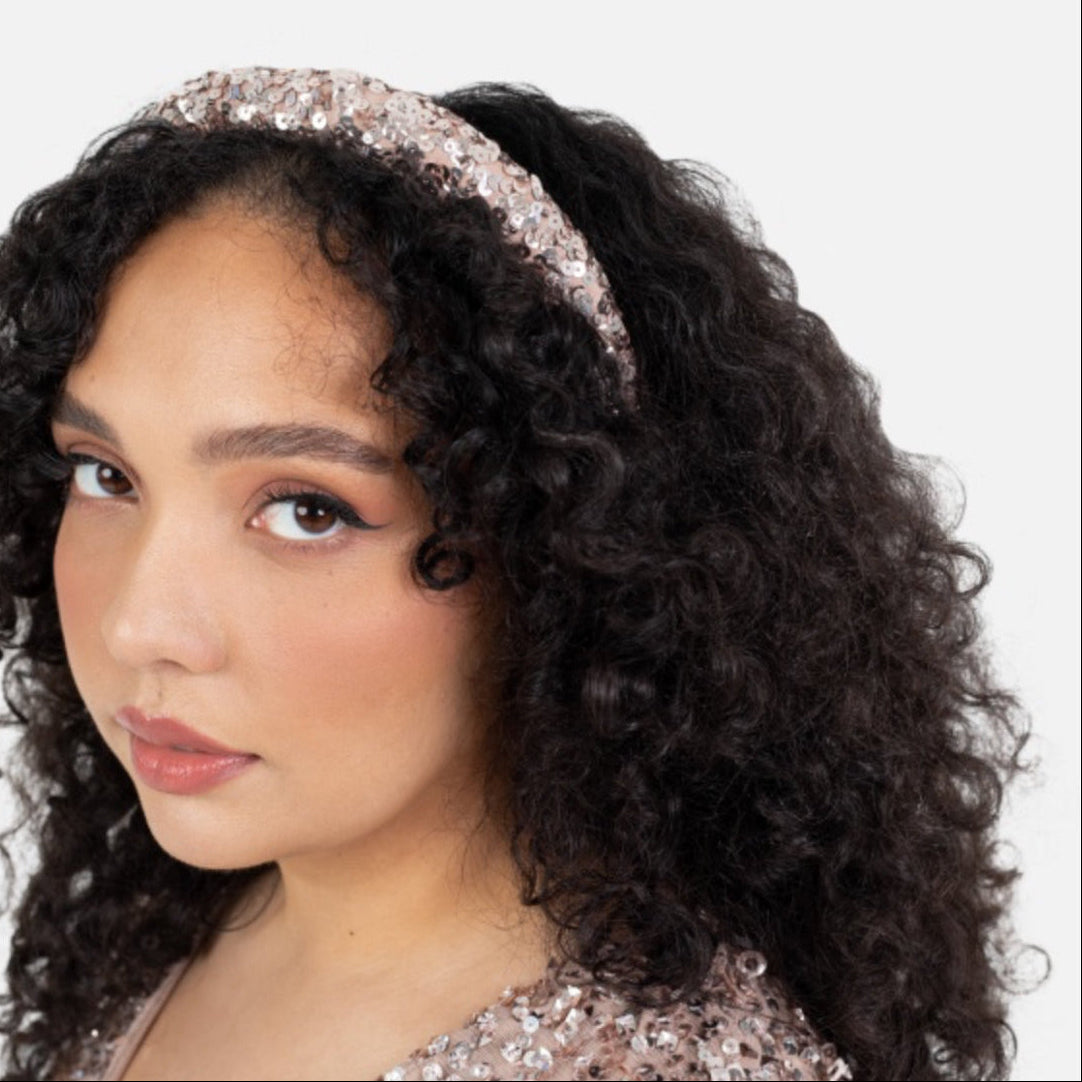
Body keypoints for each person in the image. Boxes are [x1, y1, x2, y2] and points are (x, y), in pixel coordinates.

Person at [0, 67, 1029, 1081]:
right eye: (105, 474)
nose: (140, 623)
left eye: (306, 508)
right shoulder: (156, 926)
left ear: (563, 550)